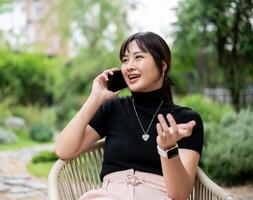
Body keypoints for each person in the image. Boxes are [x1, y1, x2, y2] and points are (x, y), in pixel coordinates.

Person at [55, 31, 204, 200]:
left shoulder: (185, 121)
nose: (128, 66)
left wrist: (168, 149)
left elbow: (180, 194)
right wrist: (95, 99)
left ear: (163, 65)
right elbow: (64, 150)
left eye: (138, 57)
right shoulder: (113, 109)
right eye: (125, 60)